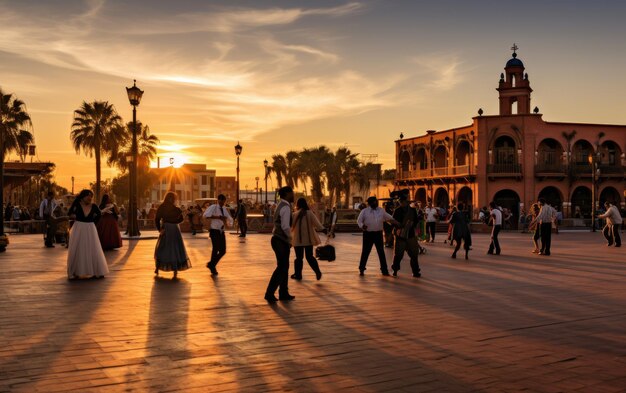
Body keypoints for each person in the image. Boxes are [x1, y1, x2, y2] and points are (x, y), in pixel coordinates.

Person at [66, 189, 109, 279]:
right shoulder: (77, 204)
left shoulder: (94, 206)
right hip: (78, 228)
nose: (90, 198)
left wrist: (93, 222)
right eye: (88, 196)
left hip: (90, 228)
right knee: (77, 248)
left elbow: (99, 214)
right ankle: (74, 272)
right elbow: (70, 213)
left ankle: (97, 271)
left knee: (93, 248)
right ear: (83, 196)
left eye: (91, 196)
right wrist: (75, 216)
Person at [265, 186, 296, 302]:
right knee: (282, 267)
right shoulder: (286, 207)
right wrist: (290, 239)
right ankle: (269, 293)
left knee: (284, 267)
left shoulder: (280, 205)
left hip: (277, 239)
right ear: (287, 194)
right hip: (280, 240)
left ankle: (283, 292)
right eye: (292, 192)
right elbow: (285, 226)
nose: (293, 194)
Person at [357, 196, 399, 276]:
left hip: (378, 234)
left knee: (381, 252)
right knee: (365, 252)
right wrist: (362, 226)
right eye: (373, 202)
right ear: (369, 203)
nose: (375, 203)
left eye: (375, 202)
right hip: (368, 234)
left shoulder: (381, 211)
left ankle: (384, 270)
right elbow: (359, 221)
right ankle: (361, 269)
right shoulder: (364, 211)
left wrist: (396, 223)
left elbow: (389, 218)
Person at [154, 192, 191, 279]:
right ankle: (175, 270)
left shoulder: (162, 207)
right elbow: (180, 220)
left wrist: (160, 229)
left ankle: (157, 267)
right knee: (175, 249)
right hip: (174, 229)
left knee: (162, 248)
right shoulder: (176, 209)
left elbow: (157, 219)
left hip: (166, 229)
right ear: (173, 199)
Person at [290, 198, 325, 281]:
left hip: (298, 239)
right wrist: (324, 230)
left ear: (297, 205)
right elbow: (318, 224)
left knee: (299, 258)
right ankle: (317, 271)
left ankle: (298, 274)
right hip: (308, 240)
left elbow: (290, 226)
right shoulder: (310, 213)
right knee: (309, 257)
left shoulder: (295, 214)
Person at [390, 192, 421, 277]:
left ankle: (415, 271)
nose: (401, 202)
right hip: (400, 235)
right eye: (400, 201)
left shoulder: (412, 210)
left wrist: (413, 226)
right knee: (398, 255)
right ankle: (395, 270)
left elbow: (416, 221)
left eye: (402, 201)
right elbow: (393, 221)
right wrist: (397, 225)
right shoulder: (397, 211)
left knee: (414, 255)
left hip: (411, 235)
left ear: (405, 202)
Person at [203, 194, 233, 275]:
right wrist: (218, 217)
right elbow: (206, 215)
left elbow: (229, 217)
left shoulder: (223, 208)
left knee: (223, 251)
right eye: (221, 202)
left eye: (223, 202)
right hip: (214, 230)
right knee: (215, 249)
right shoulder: (213, 207)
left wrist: (229, 222)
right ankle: (213, 267)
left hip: (221, 231)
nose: (222, 203)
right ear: (218, 200)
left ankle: (211, 264)